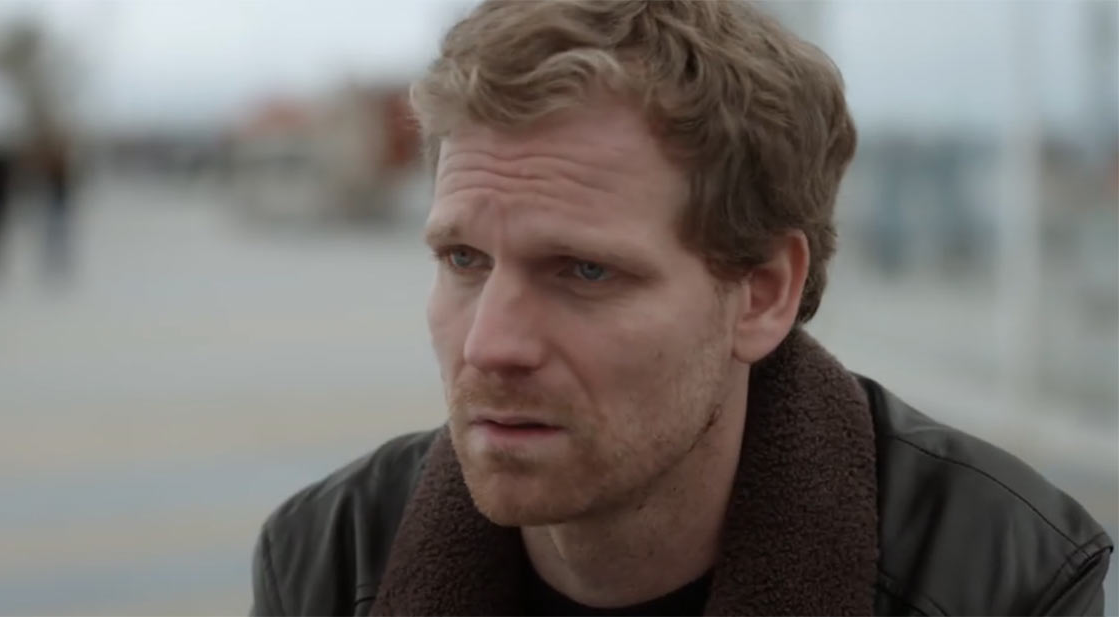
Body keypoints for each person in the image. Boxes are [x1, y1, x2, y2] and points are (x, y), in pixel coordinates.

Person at [250, 2, 1112, 615]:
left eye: (585, 270)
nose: (490, 344)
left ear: (763, 292)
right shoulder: (328, 558)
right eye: (463, 259)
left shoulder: (996, 574)